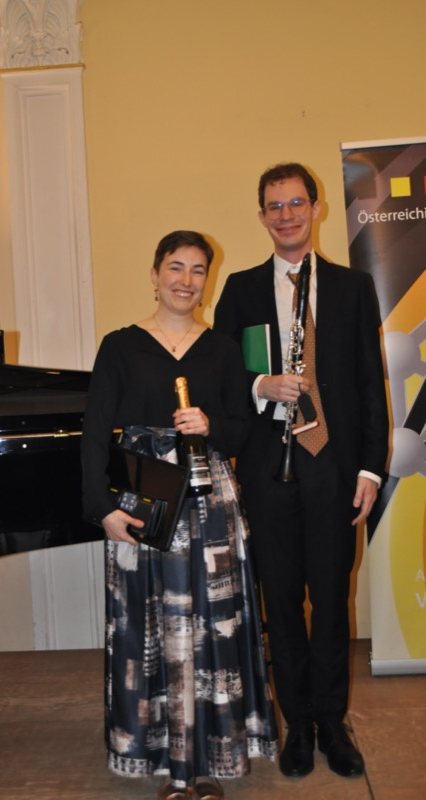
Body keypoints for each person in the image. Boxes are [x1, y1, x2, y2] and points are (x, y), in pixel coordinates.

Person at [81, 230, 278, 800]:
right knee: (150, 630)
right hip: (142, 500)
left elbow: (243, 430)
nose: (186, 280)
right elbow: (94, 433)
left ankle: (209, 762)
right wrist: (103, 509)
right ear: (154, 274)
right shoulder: (121, 345)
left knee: (212, 630)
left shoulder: (221, 349)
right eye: (175, 267)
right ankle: (168, 766)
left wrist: (211, 426)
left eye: (197, 270)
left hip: (210, 504)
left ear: (206, 282)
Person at [214, 164, 389, 780]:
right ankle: (298, 725)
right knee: (282, 603)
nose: (285, 215)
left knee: (333, 603)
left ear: (315, 208)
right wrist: (260, 384)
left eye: (295, 203)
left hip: (335, 469)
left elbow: (370, 385)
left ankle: (333, 726)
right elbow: (220, 378)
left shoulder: (353, 287)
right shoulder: (239, 289)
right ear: (261, 216)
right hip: (268, 471)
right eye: (274, 206)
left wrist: (370, 470)